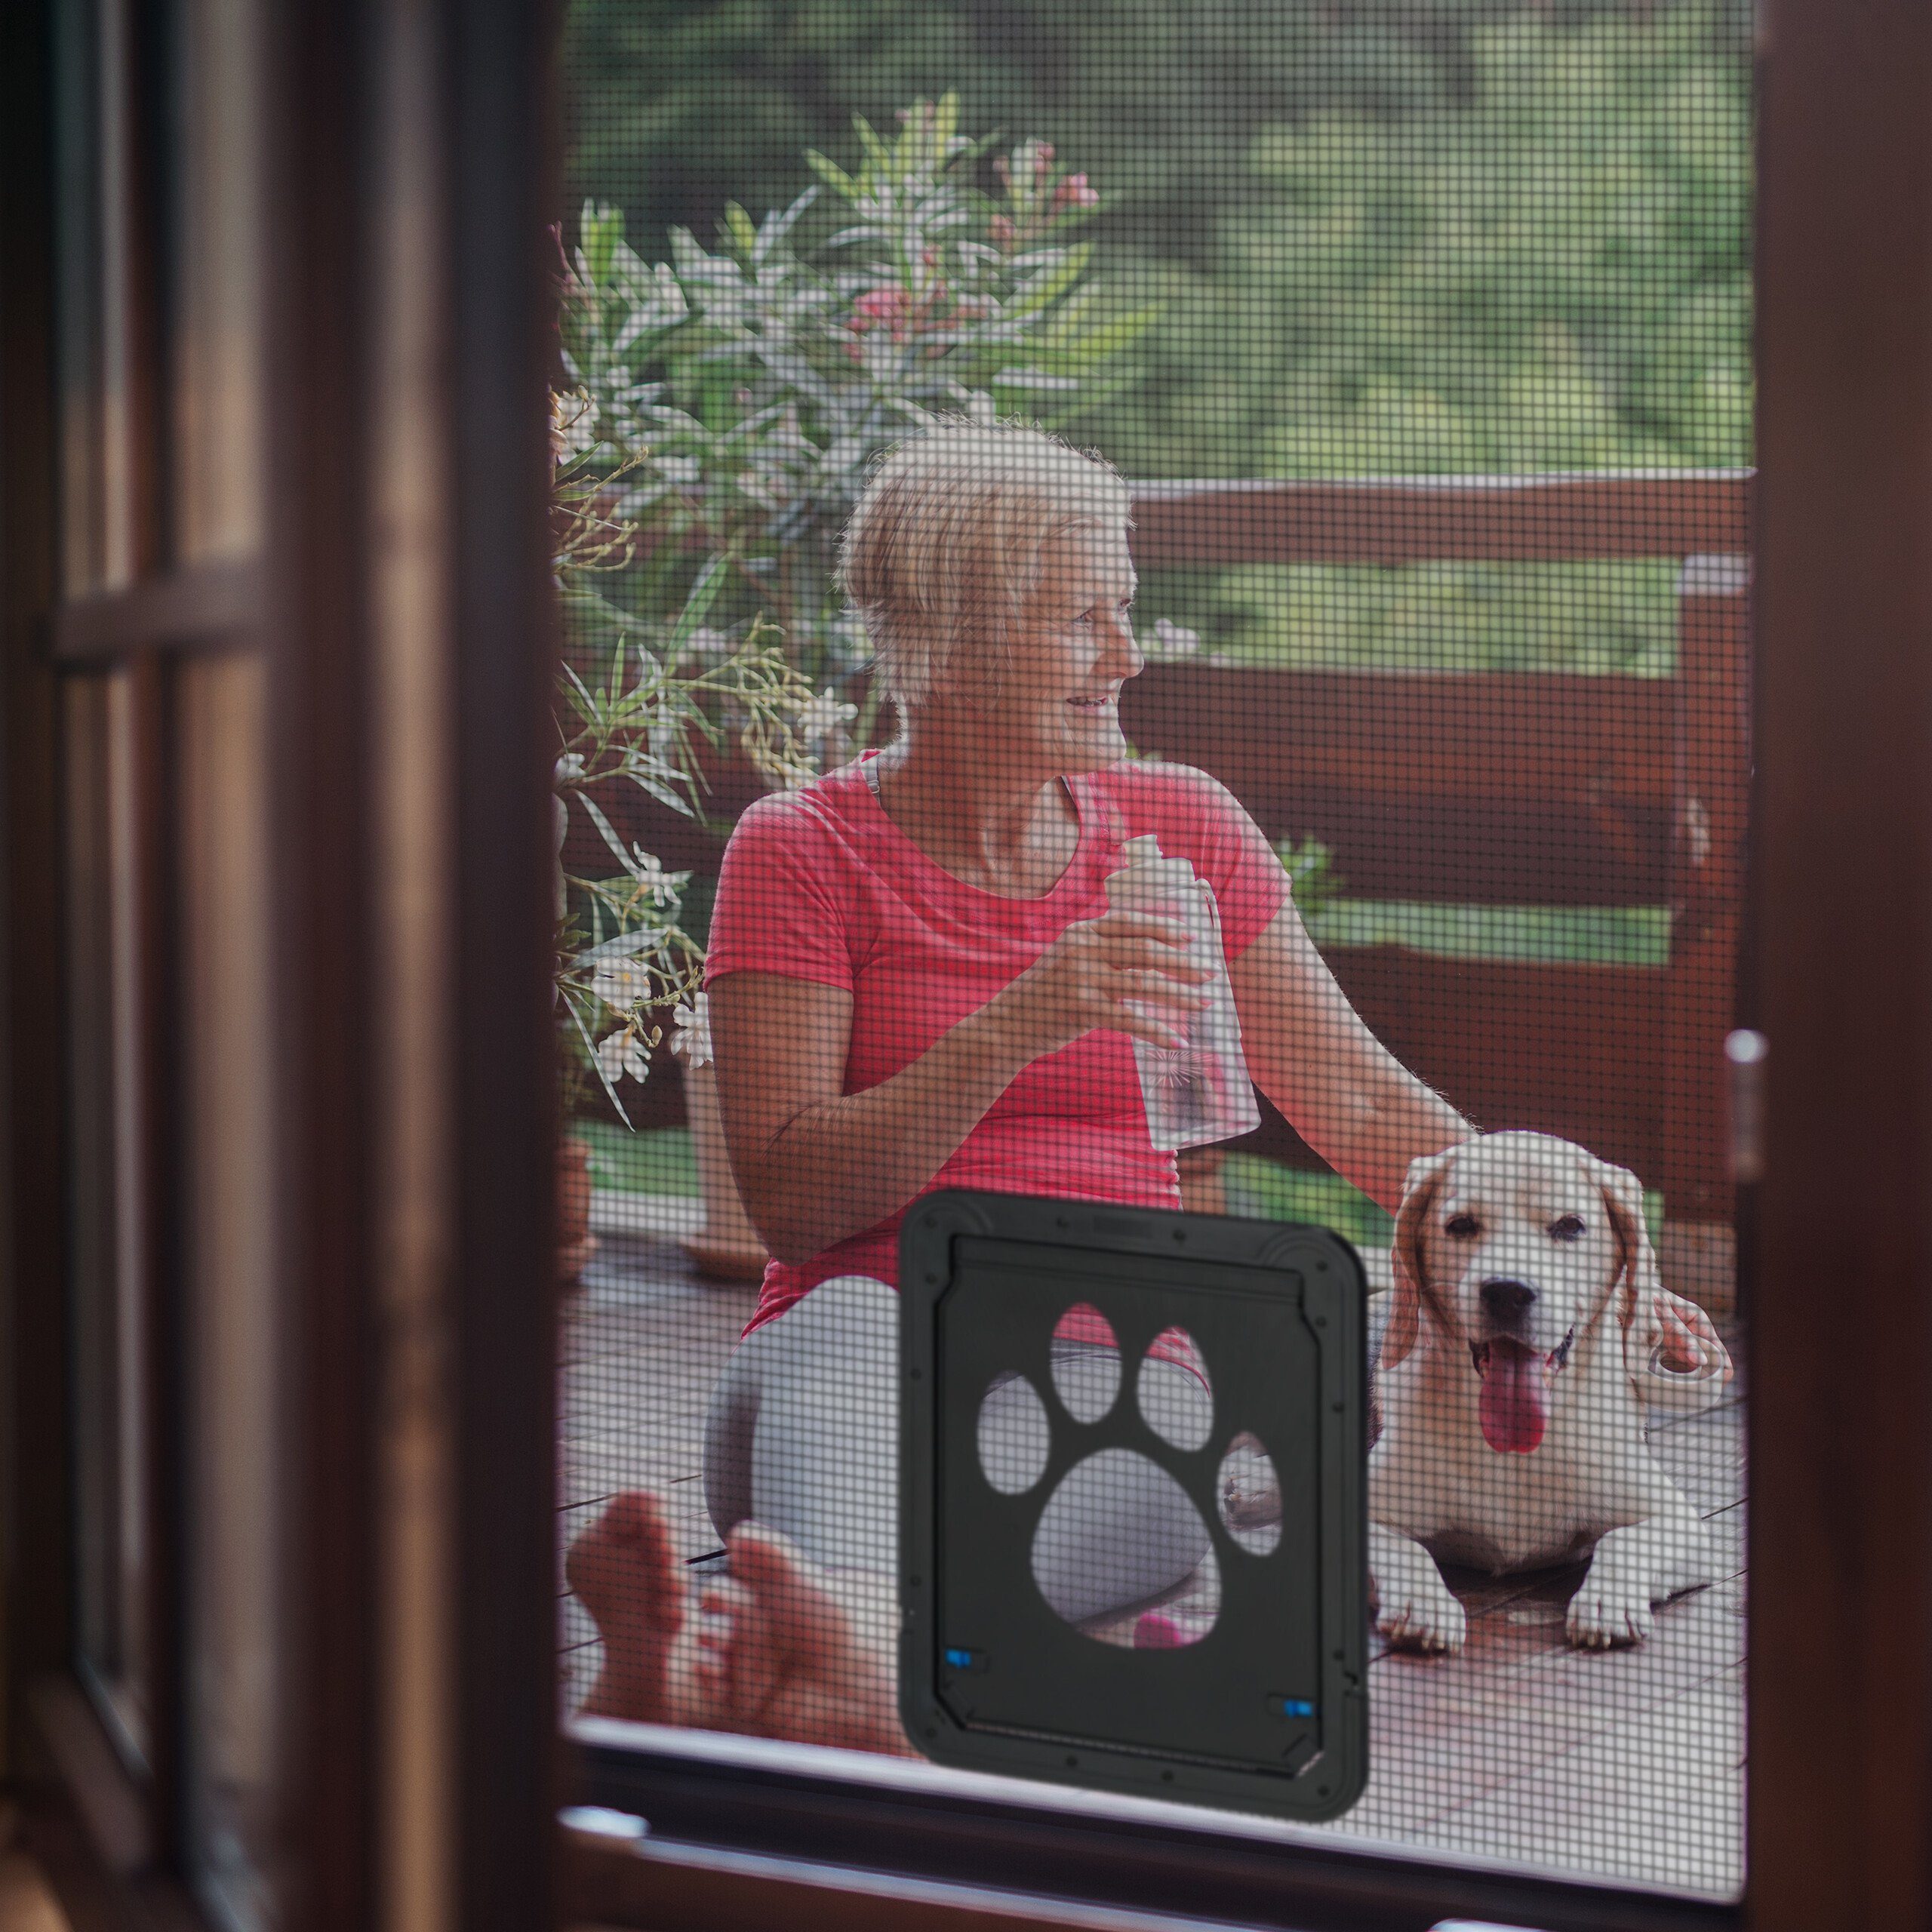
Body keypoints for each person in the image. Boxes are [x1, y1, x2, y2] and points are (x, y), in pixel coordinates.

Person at [565, 418, 1714, 1751]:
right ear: (945, 647)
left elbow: (1352, 1096)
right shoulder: (803, 849)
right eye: (1082, 620)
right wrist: (1018, 1023)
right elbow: (790, 1201)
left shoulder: (1181, 825)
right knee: (845, 1368)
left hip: (1121, 1366)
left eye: (1126, 609)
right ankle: (836, 1669)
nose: (1130, 653)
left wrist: (1574, 1255)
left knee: (1178, 1441)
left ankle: (744, 1675)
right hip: (863, 1337)